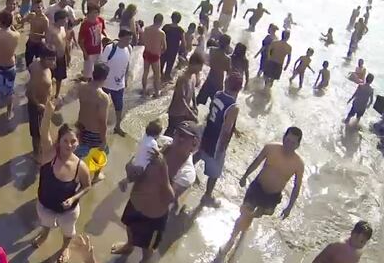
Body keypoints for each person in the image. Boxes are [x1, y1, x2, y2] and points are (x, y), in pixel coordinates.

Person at [110, 121, 200, 262]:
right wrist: (130, 169)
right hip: (135, 201)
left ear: (194, 143)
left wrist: (163, 168)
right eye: (177, 133)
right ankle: (129, 245)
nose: (178, 138)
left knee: (148, 247)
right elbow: (139, 158)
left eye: (184, 136)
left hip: (153, 216)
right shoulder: (162, 142)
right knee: (129, 226)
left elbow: (170, 198)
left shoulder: (188, 172)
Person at [216, 127, 305, 260]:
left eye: (293, 143)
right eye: (287, 140)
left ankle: (245, 227)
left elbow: (296, 187)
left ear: (298, 145)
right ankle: (231, 240)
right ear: (283, 137)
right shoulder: (271, 148)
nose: (288, 145)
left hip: (272, 197)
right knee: (245, 212)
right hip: (257, 188)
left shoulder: (298, 164)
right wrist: (245, 176)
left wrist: (289, 207)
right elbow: (257, 162)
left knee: (256, 214)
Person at [31, 98, 92, 263]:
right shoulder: (50, 155)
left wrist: (73, 198)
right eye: (65, 140)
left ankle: (65, 248)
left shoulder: (81, 166)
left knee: (67, 233)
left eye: (73, 141)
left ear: (78, 143)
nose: (69, 145)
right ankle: (44, 234)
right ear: (59, 140)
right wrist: (49, 111)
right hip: (45, 205)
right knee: (46, 223)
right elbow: (44, 132)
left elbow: (87, 187)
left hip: (68, 212)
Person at [194, 74, 242, 206]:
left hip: (208, 131)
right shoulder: (234, 107)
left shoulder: (218, 94)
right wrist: (222, 147)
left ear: (226, 83)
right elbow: (226, 130)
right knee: (214, 172)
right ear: (239, 89)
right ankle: (207, 196)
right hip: (217, 140)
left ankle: (183, 170)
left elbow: (213, 113)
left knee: (199, 153)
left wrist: (234, 129)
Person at [76, 63, 110, 182]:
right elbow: (102, 121)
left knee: (80, 152)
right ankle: (96, 177)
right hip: (94, 132)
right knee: (100, 154)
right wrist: (104, 139)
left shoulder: (81, 87)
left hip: (81, 126)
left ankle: (76, 173)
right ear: (105, 78)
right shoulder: (103, 97)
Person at [99, 30, 133, 136]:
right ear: (120, 37)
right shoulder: (110, 48)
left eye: (130, 39)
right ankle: (98, 127)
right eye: (127, 38)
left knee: (119, 107)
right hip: (106, 84)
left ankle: (117, 127)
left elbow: (127, 65)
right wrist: (99, 81)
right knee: (101, 106)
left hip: (119, 85)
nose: (129, 41)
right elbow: (101, 65)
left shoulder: (129, 48)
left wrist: (126, 79)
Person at [26, 45, 57, 159]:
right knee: (37, 134)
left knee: (44, 128)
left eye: (54, 58)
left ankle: (40, 149)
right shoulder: (39, 74)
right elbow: (28, 91)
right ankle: (36, 154)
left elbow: (30, 66)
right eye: (50, 59)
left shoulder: (38, 63)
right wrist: (37, 104)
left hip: (46, 103)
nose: (53, 62)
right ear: (42, 58)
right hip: (37, 106)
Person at [118, 119, 164, 192]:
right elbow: (157, 154)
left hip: (131, 163)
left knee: (130, 177)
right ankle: (124, 183)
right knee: (137, 179)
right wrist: (163, 147)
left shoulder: (145, 136)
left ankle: (125, 182)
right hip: (138, 169)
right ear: (157, 134)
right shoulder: (153, 143)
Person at [166, 53, 204, 136]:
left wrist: (195, 105)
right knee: (170, 134)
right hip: (176, 113)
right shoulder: (183, 79)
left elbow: (193, 91)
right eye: (200, 66)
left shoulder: (193, 76)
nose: (201, 69)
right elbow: (181, 99)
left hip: (184, 112)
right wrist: (191, 113)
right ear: (194, 64)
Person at [197, 35, 231, 106]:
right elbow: (228, 73)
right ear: (228, 45)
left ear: (219, 41)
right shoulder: (227, 59)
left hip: (209, 79)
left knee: (198, 101)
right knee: (215, 105)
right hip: (218, 83)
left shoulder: (212, 50)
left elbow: (208, 61)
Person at [78, 5, 106, 82]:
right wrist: (85, 53)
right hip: (89, 53)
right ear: (88, 13)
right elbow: (80, 41)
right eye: (92, 13)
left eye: (96, 13)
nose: (94, 15)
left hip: (99, 50)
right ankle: (83, 89)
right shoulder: (85, 25)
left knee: (98, 73)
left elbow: (103, 32)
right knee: (87, 75)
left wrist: (107, 40)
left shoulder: (100, 20)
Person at [141, 14, 166, 97]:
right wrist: (160, 52)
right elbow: (165, 47)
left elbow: (143, 40)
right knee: (157, 75)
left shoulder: (146, 29)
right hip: (155, 55)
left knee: (145, 72)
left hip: (146, 53)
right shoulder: (161, 33)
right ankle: (156, 92)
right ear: (161, 22)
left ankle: (144, 90)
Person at [21, 0, 49, 68]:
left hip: (39, 44)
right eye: (36, 7)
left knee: (39, 64)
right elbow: (22, 21)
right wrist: (21, 19)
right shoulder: (31, 15)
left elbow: (47, 36)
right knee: (28, 64)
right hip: (30, 42)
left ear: (42, 7)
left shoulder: (45, 20)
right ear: (33, 7)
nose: (38, 9)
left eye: (39, 7)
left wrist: (34, 34)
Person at [161, 11, 185, 81]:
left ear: (171, 18)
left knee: (161, 64)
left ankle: (159, 77)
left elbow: (161, 37)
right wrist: (182, 52)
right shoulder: (180, 30)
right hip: (173, 50)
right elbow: (183, 42)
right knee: (169, 66)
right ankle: (166, 78)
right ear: (179, 20)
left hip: (164, 49)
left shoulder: (166, 27)